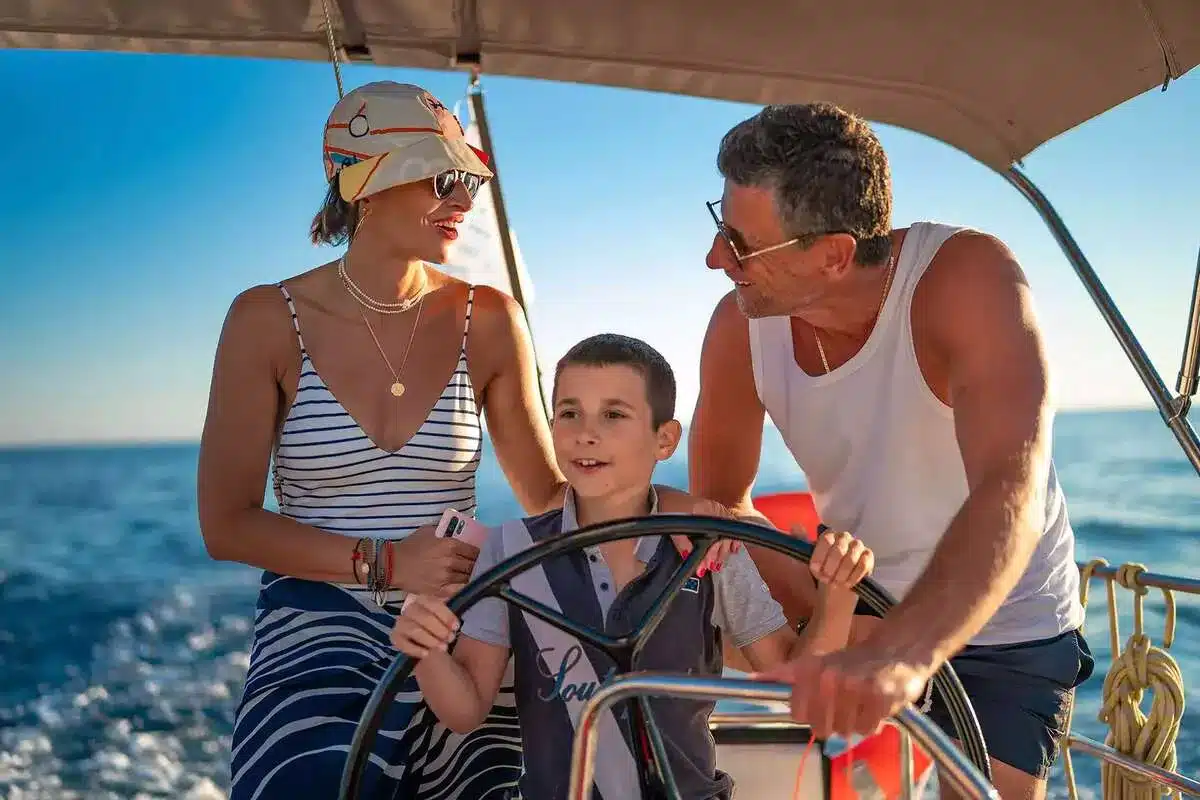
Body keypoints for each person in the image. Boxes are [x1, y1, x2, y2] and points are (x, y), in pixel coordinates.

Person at [197, 81, 724, 800]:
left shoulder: (489, 318)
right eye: (444, 179)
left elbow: (549, 493)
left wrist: (672, 506)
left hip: (461, 614)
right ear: (366, 183)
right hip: (317, 618)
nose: (466, 201)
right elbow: (225, 524)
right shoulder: (264, 319)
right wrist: (384, 562)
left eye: (471, 180)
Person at [687, 102, 1094, 800]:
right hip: (865, 616)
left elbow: (1011, 487)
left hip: (1006, 624)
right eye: (717, 225)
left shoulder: (966, 280)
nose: (715, 258)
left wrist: (905, 653)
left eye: (739, 241)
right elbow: (720, 511)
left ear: (834, 254)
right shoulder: (738, 329)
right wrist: (817, 615)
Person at [391, 333, 876, 800]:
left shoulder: (708, 550)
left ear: (664, 440)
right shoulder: (510, 550)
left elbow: (795, 692)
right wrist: (425, 649)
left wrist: (837, 597)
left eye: (613, 415)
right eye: (569, 413)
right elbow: (466, 708)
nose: (586, 434)